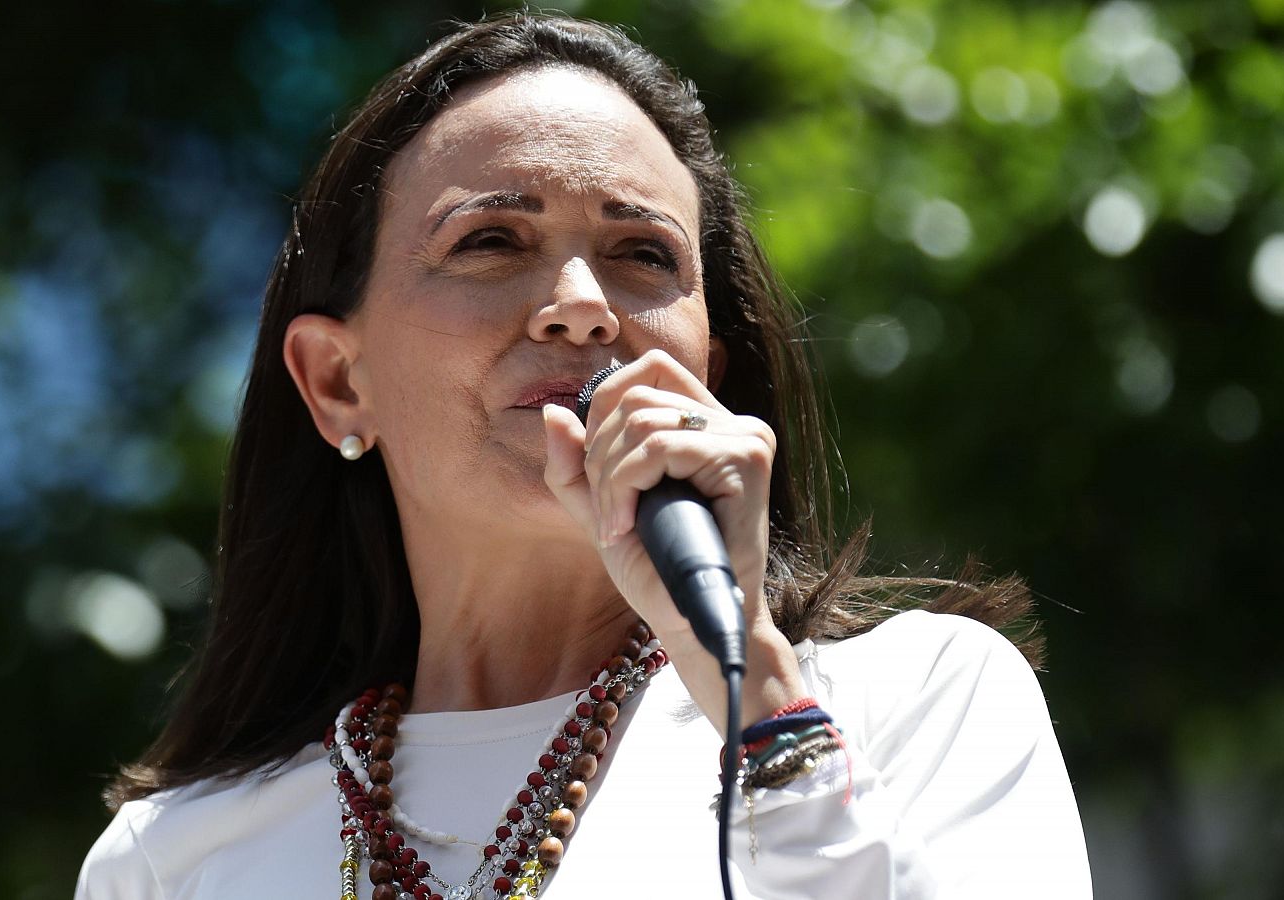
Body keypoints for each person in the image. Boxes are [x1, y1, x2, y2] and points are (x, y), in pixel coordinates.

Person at [76, 12, 1091, 899]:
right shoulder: (171, 862)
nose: (581, 308)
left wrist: (758, 691)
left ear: (708, 374)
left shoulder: (918, 703)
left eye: (642, 255)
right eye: (490, 241)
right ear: (340, 381)